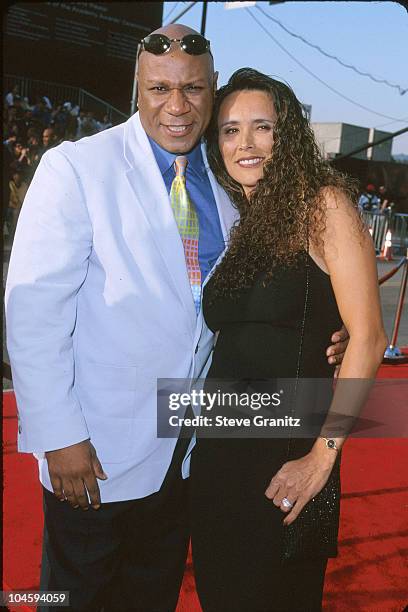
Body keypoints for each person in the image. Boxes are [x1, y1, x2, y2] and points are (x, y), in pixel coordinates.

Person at [5, 26, 348, 612]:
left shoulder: (231, 186)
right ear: (136, 88)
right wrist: (58, 435)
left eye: (193, 89)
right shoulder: (77, 167)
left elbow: (253, 300)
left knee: (151, 597)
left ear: (211, 91)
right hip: (93, 456)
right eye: (159, 88)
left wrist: (324, 330)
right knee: (71, 598)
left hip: (188, 458)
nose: (177, 105)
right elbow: (34, 309)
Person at [189, 68, 387, 611]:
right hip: (219, 457)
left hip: (287, 460)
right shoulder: (243, 221)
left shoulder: (323, 206)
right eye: (229, 131)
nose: (244, 144)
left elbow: (369, 337)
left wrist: (321, 460)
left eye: (261, 127)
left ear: (289, 135)